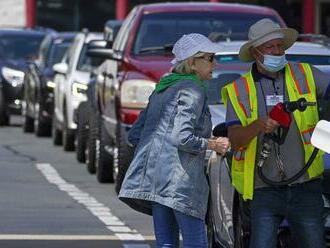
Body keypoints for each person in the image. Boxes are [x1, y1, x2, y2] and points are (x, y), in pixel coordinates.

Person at [221, 18, 330, 248]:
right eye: (270, 47)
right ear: (255, 52)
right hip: (264, 190)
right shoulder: (238, 90)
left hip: (305, 185)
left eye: (280, 46)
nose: (277, 51)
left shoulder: (305, 74)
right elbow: (235, 141)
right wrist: (258, 126)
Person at [119, 33, 230, 248]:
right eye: (209, 58)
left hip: (156, 180)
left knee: (166, 243)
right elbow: (182, 137)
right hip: (182, 181)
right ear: (192, 62)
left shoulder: (164, 87)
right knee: (195, 242)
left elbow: (135, 134)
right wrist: (213, 144)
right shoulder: (193, 89)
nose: (214, 63)